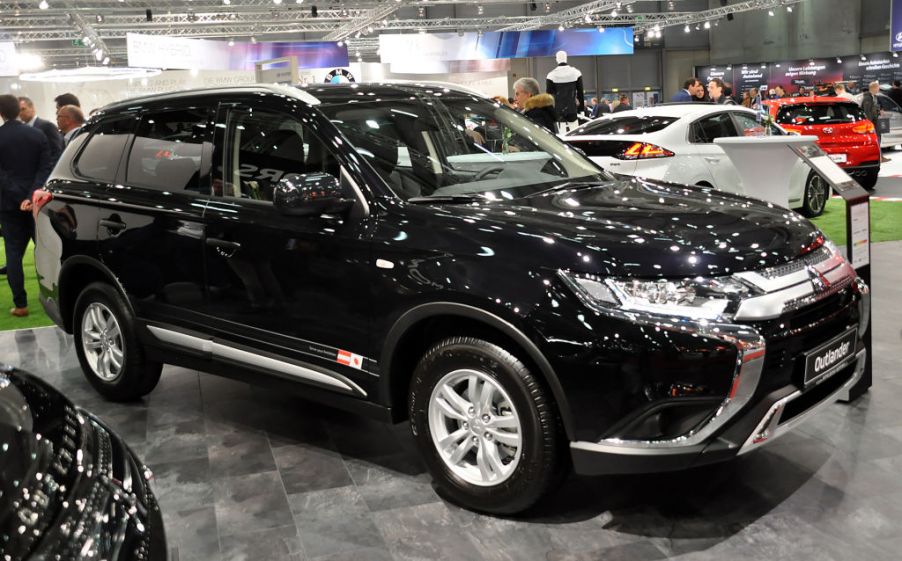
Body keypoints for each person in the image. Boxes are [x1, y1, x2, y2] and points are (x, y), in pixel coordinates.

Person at [0, 94, 52, 317]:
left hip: (8, 204)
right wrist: (30, 197)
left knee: (13, 254)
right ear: (18, 110)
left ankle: (20, 305)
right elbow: (46, 168)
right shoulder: (37, 135)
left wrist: (18, 196)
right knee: (45, 251)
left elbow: (1, 175)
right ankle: (53, 299)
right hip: (36, 204)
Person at [545, 50, 585, 134]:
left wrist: (549, 112)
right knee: (575, 134)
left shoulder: (551, 75)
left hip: (559, 111)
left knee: (561, 137)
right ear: (566, 58)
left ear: (556, 59)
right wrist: (582, 110)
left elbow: (549, 96)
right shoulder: (576, 73)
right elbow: (580, 92)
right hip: (572, 109)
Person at [18, 96, 63, 166]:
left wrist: (48, 169)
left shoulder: (47, 126)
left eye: (23, 109)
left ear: (32, 108)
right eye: (18, 111)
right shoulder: (21, 129)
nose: (20, 113)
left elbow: (57, 150)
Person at [861, 81, 889, 162]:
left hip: (875, 122)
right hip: (872, 123)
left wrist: (878, 111)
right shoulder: (867, 98)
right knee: (876, 139)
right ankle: (878, 158)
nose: (878, 89)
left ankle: (880, 157)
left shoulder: (873, 97)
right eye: (877, 87)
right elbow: (867, 112)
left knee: (878, 139)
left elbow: (873, 109)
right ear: (873, 88)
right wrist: (869, 124)